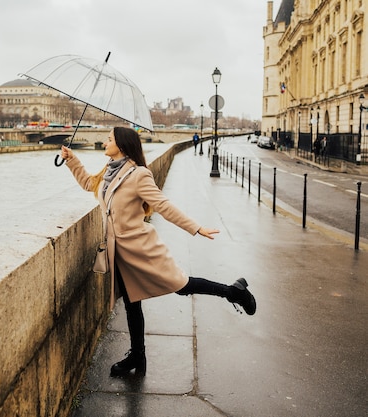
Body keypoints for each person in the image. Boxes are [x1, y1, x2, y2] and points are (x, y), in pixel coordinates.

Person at [60, 126, 256, 377]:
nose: (105, 142)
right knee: (132, 305)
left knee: (182, 285)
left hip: (141, 249)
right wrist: (71, 160)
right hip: (118, 251)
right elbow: (89, 184)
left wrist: (196, 228)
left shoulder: (139, 174)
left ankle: (233, 292)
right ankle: (137, 357)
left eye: (109, 139)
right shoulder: (108, 171)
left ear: (121, 144)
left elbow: (163, 205)